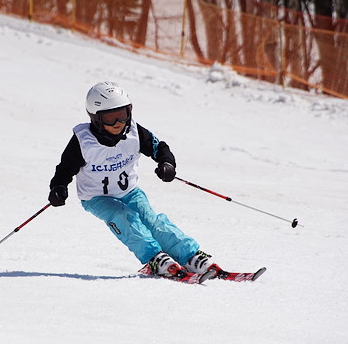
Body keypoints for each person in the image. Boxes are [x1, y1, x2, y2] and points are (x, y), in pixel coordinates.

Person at [48, 81, 222, 279]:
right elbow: (64, 169)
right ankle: (154, 258)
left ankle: (190, 256)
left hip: (130, 191)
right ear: (96, 118)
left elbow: (159, 148)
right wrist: (58, 188)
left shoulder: (134, 131)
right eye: (110, 118)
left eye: (121, 116)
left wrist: (167, 164)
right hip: (97, 197)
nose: (118, 124)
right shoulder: (83, 141)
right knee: (123, 217)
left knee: (152, 221)